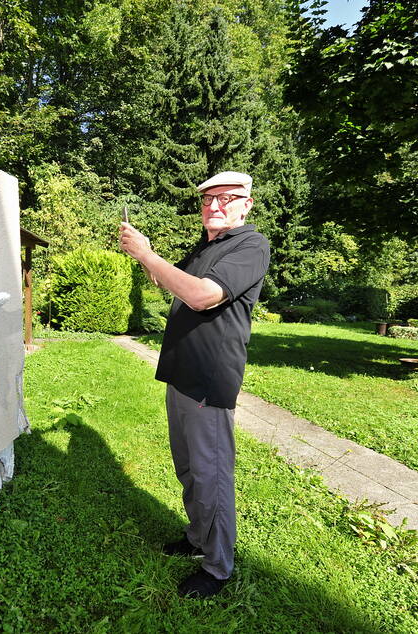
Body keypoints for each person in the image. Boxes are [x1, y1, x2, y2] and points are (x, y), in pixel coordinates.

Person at [118, 171, 270, 598]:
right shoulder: (208, 246)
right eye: (207, 200)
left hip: (209, 379)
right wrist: (142, 251)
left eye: (226, 198)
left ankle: (217, 567)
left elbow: (203, 295)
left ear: (247, 204)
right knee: (188, 469)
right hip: (181, 375)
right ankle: (198, 538)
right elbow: (170, 282)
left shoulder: (250, 245)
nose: (215, 205)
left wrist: (148, 255)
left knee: (211, 475)